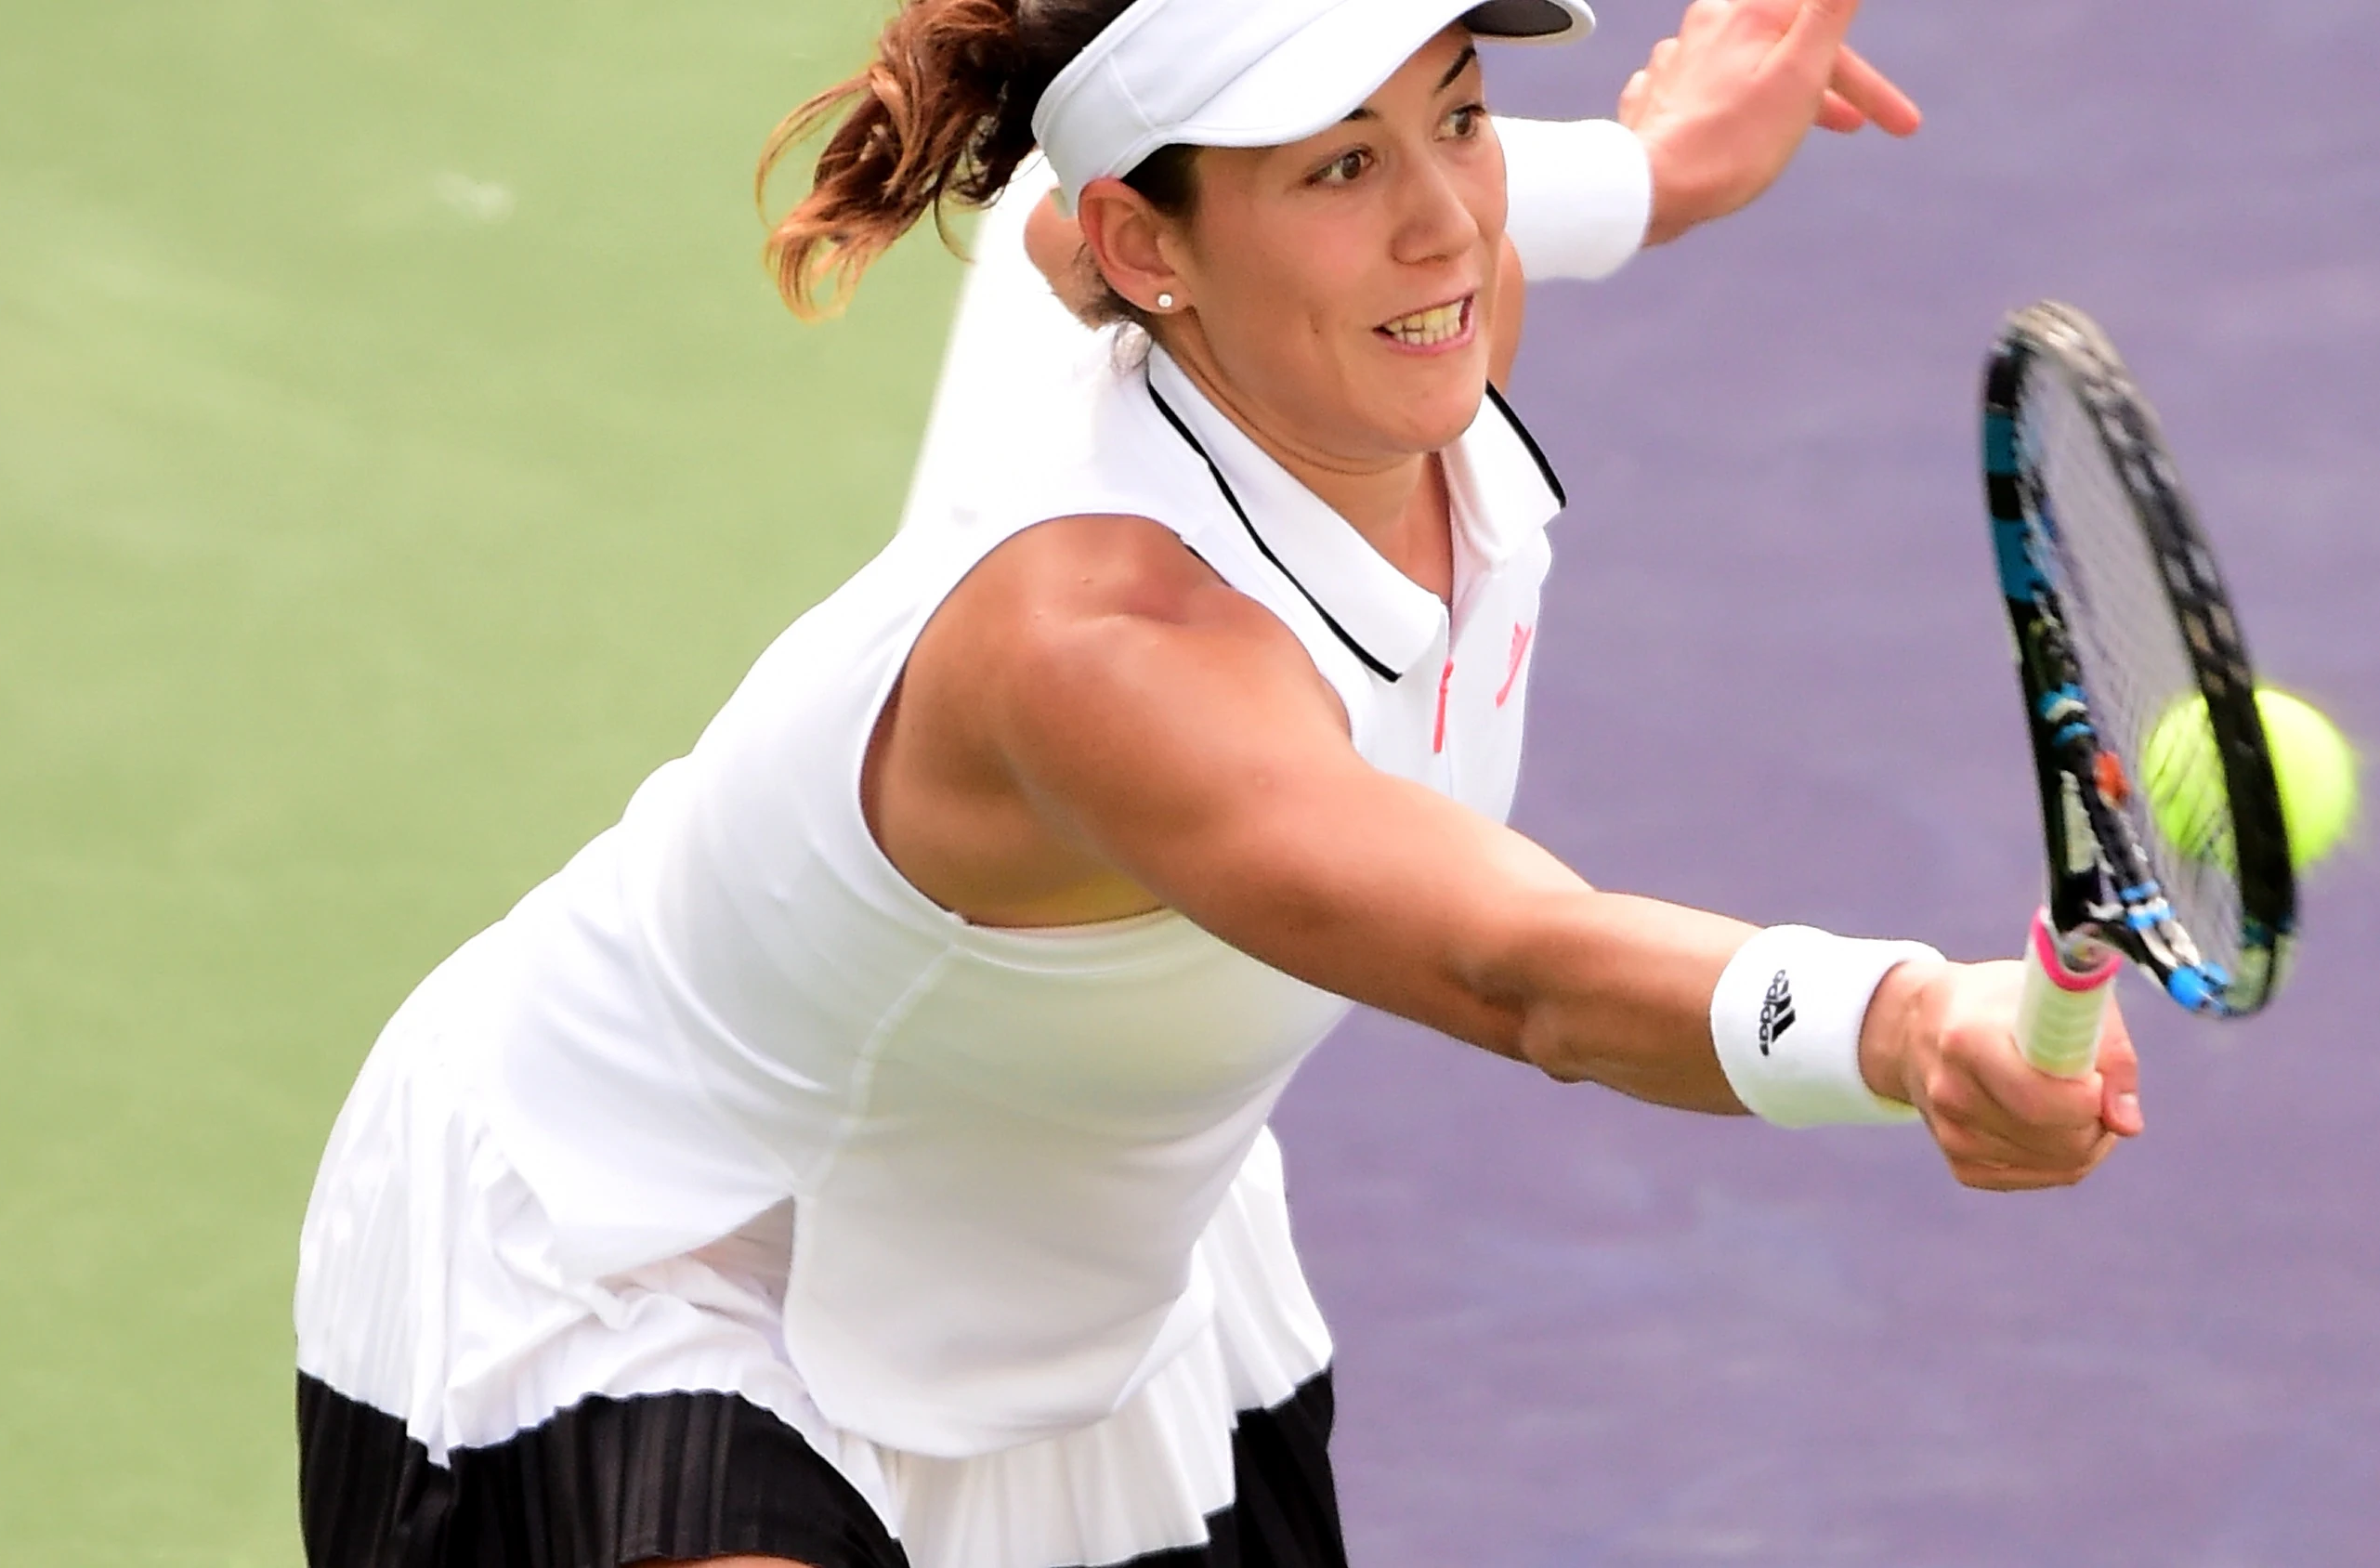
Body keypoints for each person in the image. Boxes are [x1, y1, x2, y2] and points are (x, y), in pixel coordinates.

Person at [292, 2, 2146, 1566]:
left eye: (1461, 115)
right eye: (1338, 165)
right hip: (654, 1252)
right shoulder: (1104, 656)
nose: (1442, 227)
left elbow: (1156, 226)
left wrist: (1670, 158)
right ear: (1151, 249)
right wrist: (1904, 1020)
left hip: (1076, 1260)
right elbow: (1526, 967)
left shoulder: (1358, 319)